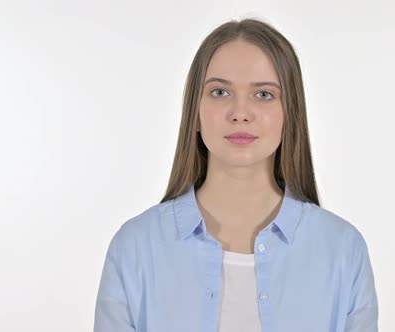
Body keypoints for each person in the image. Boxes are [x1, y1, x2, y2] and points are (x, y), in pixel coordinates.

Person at [94, 17, 378, 332]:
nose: (240, 112)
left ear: (290, 114)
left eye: (264, 94)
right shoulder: (135, 248)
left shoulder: (342, 251)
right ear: (195, 113)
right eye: (219, 92)